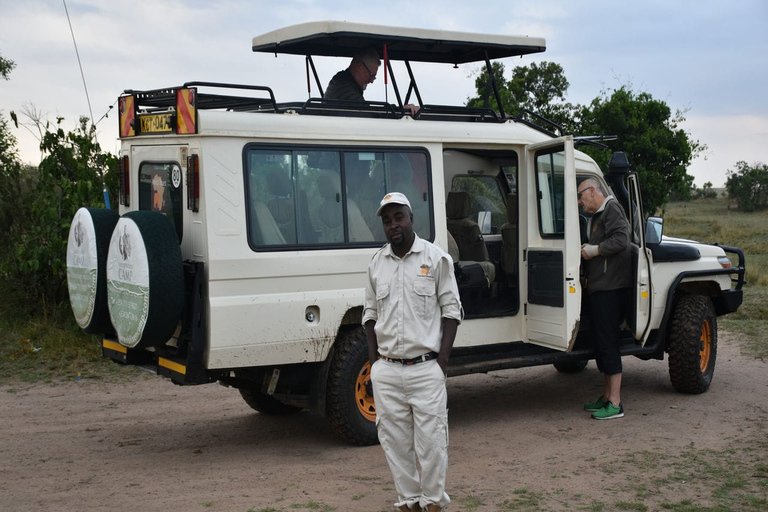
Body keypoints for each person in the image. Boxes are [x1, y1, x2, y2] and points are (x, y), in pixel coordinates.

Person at [363, 192, 463, 512]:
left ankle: (433, 501)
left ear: (411, 218)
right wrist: (374, 362)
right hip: (388, 369)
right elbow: (369, 316)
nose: (393, 225)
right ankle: (408, 499)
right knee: (394, 442)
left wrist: (442, 362)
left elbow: (452, 311)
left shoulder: (435, 259)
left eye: (398, 217)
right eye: (387, 220)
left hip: (425, 367)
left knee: (432, 441)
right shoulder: (377, 263)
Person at [577, 178, 632, 420]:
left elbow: (622, 240)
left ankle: (616, 404)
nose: (580, 203)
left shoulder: (612, 208)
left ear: (592, 191)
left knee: (609, 343)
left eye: (581, 196)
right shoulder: (598, 215)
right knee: (602, 343)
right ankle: (608, 397)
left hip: (610, 289)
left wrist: (594, 250)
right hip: (600, 288)